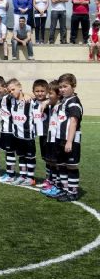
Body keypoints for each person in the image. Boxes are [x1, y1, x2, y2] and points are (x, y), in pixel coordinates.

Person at [50, 73, 83, 202]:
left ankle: (73, 192)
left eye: (65, 86)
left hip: (71, 140)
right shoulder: (64, 100)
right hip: (60, 138)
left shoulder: (74, 102)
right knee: (62, 165)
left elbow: (73, 122)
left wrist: (69, 141)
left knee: (71, 166)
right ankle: (64, 189)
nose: (62, 89)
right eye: (61, 87)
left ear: (73, 86)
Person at [6, 79, 37, 186]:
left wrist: (29, 95)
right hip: (17, 135)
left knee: (30, 157)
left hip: (28, 135)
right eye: (9, 91)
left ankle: (31, 178)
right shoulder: (10, 100)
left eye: (13, 89)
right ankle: (23, 176)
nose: (11, 92)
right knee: (21, 156)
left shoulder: (30, 101)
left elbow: (42, 98)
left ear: (20, 87)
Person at [0, 77, 16, 183]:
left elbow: (20, 94)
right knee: (8, 152)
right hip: (4, 129)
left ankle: (11, 175)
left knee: (10, 152)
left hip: (10, 130)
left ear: (5, 87)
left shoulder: (9, 97)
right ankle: (9, 173)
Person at [30, 79, 49, 187]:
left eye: (42, 91)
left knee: (49, 158)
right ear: (33, 91)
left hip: (47, 134)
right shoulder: (32, 102)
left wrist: (47, 101)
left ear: (46, 91)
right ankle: (30, 176)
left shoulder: (50, 102)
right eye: (37, 91)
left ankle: (49, 179)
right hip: (36, 133)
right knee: (43, 157)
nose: (40, 93)